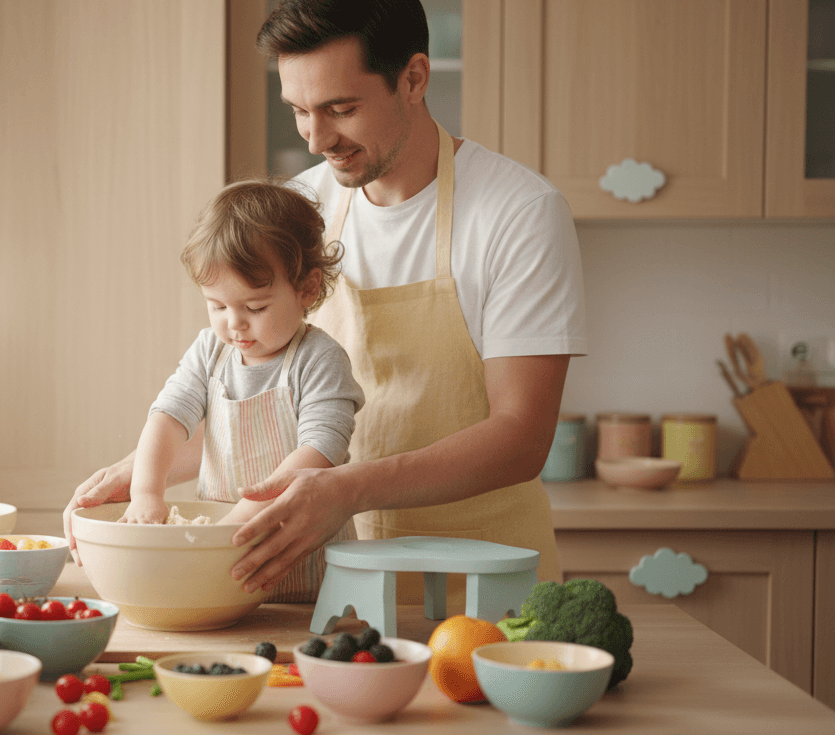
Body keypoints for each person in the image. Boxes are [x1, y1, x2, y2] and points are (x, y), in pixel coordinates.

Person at [64, 0, 585, 602]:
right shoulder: (301, 211)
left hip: (483, 584)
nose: (316, 140)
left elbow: (521, 437)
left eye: (341, 109)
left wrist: (348, 488)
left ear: (414, 79)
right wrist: (137, 475)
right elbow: (265, 416)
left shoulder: (518, 213)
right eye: (299, 111)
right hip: (337, 591)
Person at [118, 179, 365, 603]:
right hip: (222, 569)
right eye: (217, 306)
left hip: (306, 579)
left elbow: (319, 451)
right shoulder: (210, 351)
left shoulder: (320, 360)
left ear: (306, 289)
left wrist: (234, 527)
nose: (234, 324)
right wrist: (146, 492)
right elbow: (167, 417)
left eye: (255, 307)